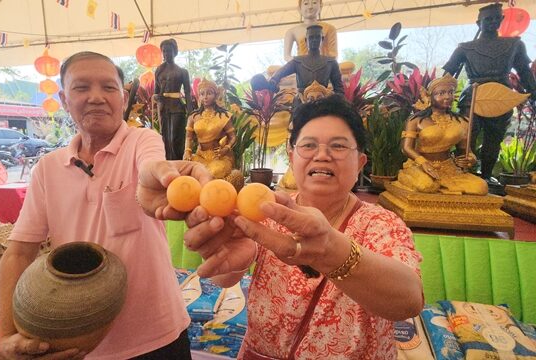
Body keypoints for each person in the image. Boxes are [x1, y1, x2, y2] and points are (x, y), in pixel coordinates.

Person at [0, 51, 210, 360]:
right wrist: (2, 334)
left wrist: (157, 176)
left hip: (157, 335)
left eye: (108, 88)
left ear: (122, 98)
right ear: (64, 99)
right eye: (82, 87)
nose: (96, 97)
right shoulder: (47, 168)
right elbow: (18, 251)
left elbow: (151, 165)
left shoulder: (142, 141)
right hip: (77, 342)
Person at [181, 95, 424, 359]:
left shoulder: (380, 223)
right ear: (291, 156)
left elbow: (409, 300)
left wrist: (331, 251)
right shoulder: (269, 210)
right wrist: (228, 260)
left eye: (338, 146)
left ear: (361, 163)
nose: (322, 155)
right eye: (308, 145)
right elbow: (222, 278)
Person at [443, 3, 536, 183]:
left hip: (502, 96)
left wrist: (533, 92)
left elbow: (524, 71)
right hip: (472, 97)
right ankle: (464, 173)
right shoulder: (464, 47)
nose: (492, 22)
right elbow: (448, 74)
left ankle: (486, 175)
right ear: (479, 23)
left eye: (496, 18)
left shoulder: (514, 44)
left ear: (501, 19)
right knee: (465, 138)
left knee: (494, 139)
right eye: (488, 19)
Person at [398, 74, 488, 195]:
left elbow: (464, 150)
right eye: (441, 93)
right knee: (427, 186)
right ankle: (407, 178)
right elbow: (406, 148)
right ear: (430, 96)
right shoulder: (415, 120)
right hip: (419, 166)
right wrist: (423, 162)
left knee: (481, 187)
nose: (447, 96)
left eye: (450, 92)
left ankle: (445, 189)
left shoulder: (462, 121)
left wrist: (471, 158)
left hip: (449, 168)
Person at [183, 79, 242, 188]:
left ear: (215, 95)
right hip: (200, 155)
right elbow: (188, 137)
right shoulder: (193, 116)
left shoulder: (223, 116)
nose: (205, 97)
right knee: (187, 169)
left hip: (218, 157)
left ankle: (217, 189)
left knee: (213, 172)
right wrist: (187, 151)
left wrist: (226, 148)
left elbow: (233, 137)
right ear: (199, 96)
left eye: (209, 93)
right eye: (202, 94)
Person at [271, 25, 344, 97]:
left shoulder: (331, 62)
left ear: (322, 39)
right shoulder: (297, 61)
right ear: (306, 40)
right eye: (311, 37)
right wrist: (273, 81)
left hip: (323, 101)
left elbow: (339, 89)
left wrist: (338, 102)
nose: (314, 40)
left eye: (317, 37)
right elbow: (281, 72)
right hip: (301, 102)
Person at [154, 38, 193, 160]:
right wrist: (157, 98)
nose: (166, 54)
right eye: (164, 51)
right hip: (163, 107)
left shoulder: (182, 72)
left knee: (175, 137)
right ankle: (167, 163)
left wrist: (191, 111)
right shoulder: (159, 70)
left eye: (169, 51)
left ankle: (178, 163)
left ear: (174, 52)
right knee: (165, 137)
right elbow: (156, 92)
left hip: (177, 107)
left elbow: (187, 92)